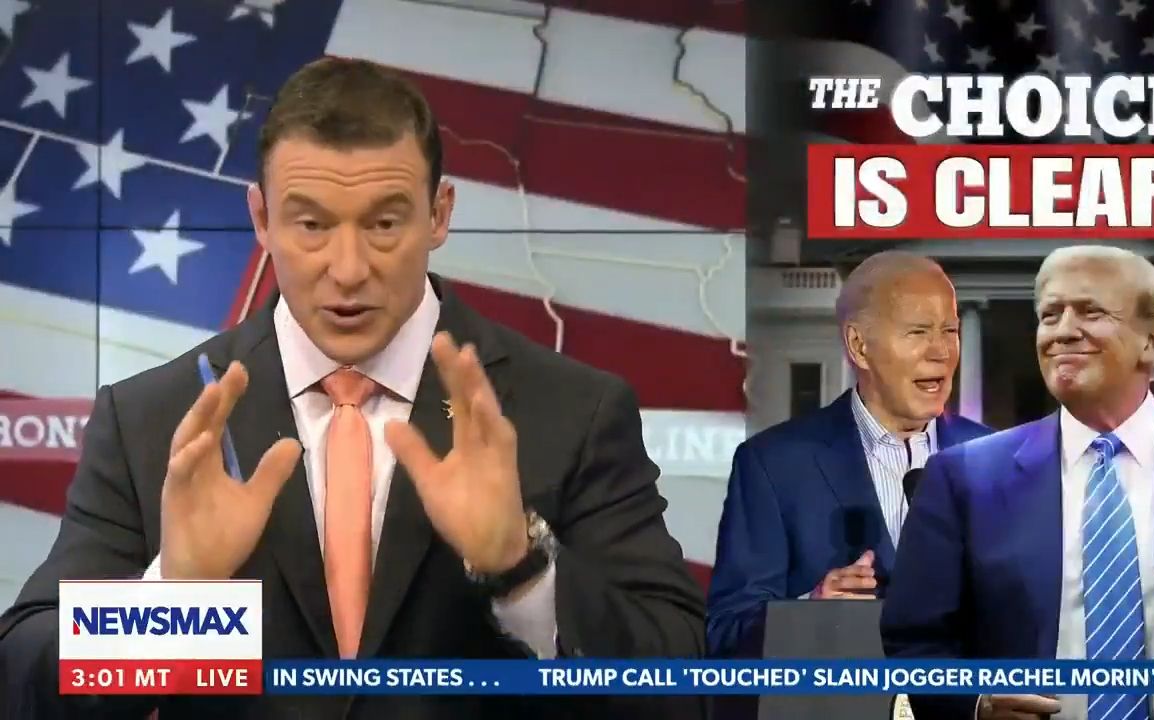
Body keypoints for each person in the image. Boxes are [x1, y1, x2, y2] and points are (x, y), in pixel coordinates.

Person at [0, 57, 705, 720]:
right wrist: (174, 597)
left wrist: (520, 568)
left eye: (384, 223)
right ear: (262, 219)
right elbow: (23, 680)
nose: (347, 269)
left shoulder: (574, 411)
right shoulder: (152, 419)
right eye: (311, 224)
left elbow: (681, 684)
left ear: (439, 214)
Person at [881, 245, 1154, 720]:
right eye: (1050, 315)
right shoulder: (960, 478)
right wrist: (977, 701)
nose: (1063, 331)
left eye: (1091, 312)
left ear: (1152, 342)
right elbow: (916, 642)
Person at [705, 251, 991, 659]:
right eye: (918, 332)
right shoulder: (774, 466)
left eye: (950, 330)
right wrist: (810, 613)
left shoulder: (995, 459)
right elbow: (726, 633)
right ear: (859, 346)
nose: (941, 351)